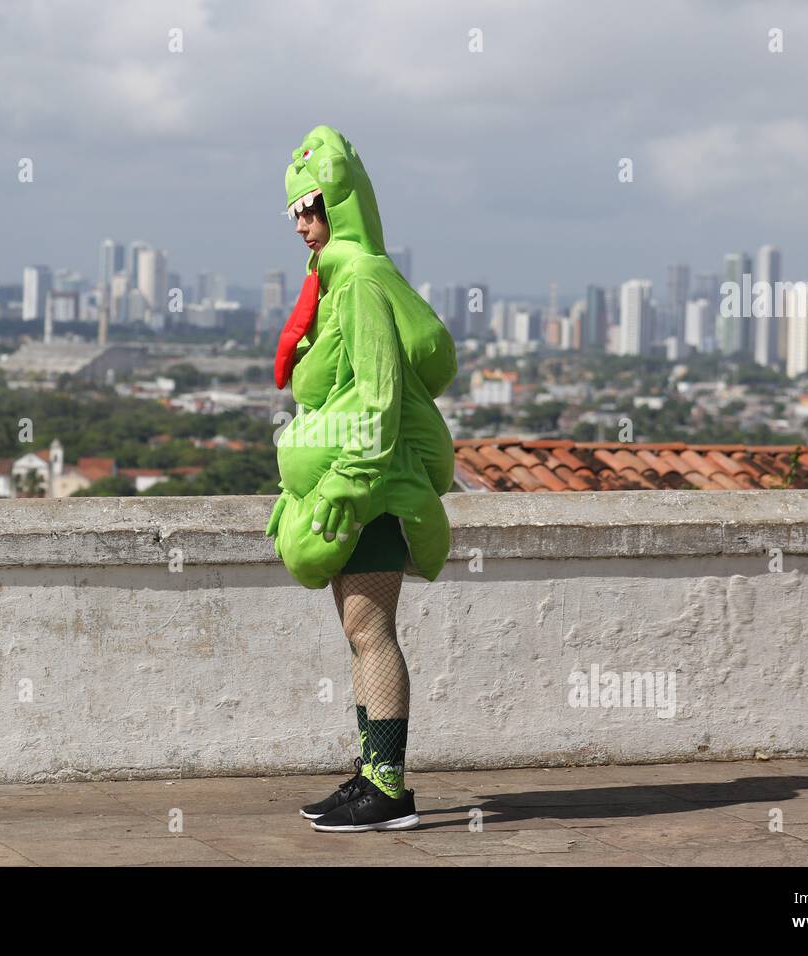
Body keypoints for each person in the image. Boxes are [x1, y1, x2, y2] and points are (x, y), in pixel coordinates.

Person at [264, 126, 457, 832]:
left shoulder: (365, 281)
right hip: (353, 484)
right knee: (358, 631)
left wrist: (347, 481)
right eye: (294, 213)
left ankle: (390, 788)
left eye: (314, 207)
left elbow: (376, 398)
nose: (304, 225)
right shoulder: (336, 281)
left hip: (374, 488)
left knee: (371, 629)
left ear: (344, 203)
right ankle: (370, 773)